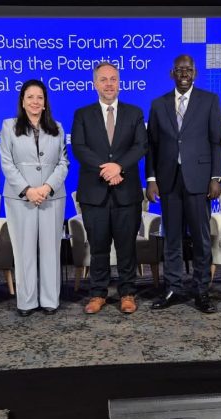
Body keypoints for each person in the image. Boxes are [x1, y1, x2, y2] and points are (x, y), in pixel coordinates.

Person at [146, 54, 221, 314]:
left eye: (188, 69)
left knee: (201, 239)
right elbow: (152, 146)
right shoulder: (158, 104)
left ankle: (201, 291)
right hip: (168, 181)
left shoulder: (209, 101)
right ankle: (172, 288)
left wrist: (216, 178)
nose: (184, 74)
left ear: (195, 73)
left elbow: (217, 143)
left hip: (199, 181)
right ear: (172, 73)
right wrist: (151, 179)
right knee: (172, 238)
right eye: (179, 69)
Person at [71, 62, 147, 315]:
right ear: (95, 84)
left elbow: (140, 146)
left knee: (127, 247)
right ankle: (97, 293)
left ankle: (127, 293)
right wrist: (107, 170)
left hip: (127, 192)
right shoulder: (82, 114)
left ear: (119, 82)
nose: (109, 84)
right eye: (103, 79)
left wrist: (119, 167)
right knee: (98, 247)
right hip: (95, 193)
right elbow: (80, 148)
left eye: (113, 79)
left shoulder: (134, 113)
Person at [0, 80, 68, 316]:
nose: (35, 102)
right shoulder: (9, 126)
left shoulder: (57, 128)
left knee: (51, 249)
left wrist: (47, 187)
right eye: (30, 97)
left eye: (40, 97)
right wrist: (27, 190)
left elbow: (63, 163)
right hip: (20, 198)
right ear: (22, 101)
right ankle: (26, 301)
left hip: (52, 196)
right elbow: (7, 163)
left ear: (45, 102)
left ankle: (50, 300)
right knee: (24, 251)